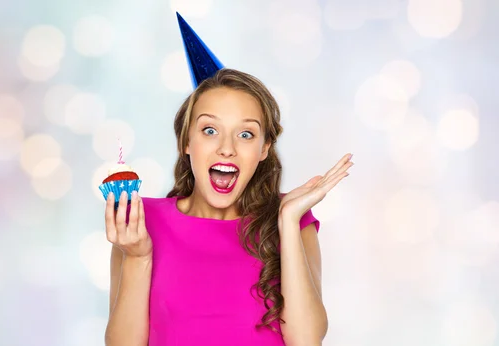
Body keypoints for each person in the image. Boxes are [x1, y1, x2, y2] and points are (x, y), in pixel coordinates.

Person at [103, 14, 353, 346]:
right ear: (187, 142)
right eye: (210, 130)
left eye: (245, 134)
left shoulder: (293, 221)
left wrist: (288, 222)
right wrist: (138, 256)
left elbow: (307, 341)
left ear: (263, 149)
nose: (226, 148)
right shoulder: (139, 223)